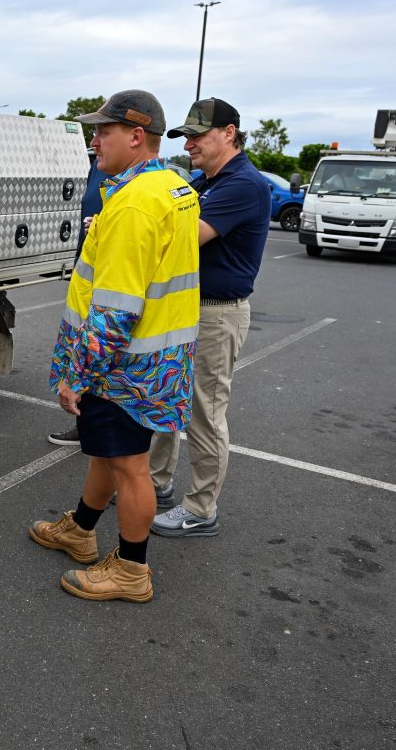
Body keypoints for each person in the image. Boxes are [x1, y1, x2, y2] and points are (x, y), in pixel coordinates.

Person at [27, 90, 200, 603]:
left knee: (129, 465)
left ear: (136, 136)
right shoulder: (173, 186)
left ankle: (131, 570)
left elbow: (116, 310)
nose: (94, 140)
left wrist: (76, 375)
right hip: (158, 359)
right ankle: (80, 530)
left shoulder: (133, 204)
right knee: (110, 451)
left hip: (124, 364)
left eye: (103, 131)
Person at [148, 97, 271, 538]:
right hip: (186, 308)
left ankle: (201, 508)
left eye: (199, 135)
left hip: (217, 315)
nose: (191, 144)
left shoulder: (244, 185)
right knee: (166, 397)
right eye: (187, 137)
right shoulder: (205, 182)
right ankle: (155, 483)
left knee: (204, 412)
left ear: (229, 133)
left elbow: (185, 238)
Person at [46, 155, 106, 448]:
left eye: (104, 132)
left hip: (108, 283)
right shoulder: (99, 166)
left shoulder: (137, 187)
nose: (95, 142)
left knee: (97, 352)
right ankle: (85, 425)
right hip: (88, 275)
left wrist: (105, 227)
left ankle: (98, 431)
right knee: (81, 347)